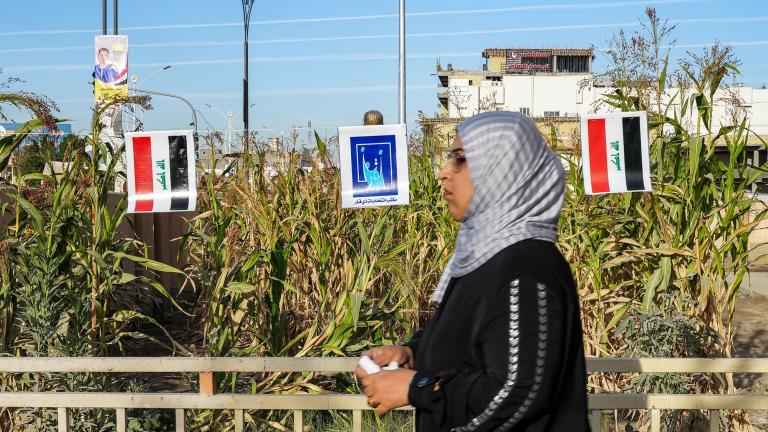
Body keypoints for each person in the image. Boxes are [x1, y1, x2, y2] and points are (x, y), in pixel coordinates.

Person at [355, 111, 589, 431]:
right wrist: (413, 354)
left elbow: (519, 391)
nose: (443, 172)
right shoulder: (486, 257)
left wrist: (418, 387)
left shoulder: (526, 266)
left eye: (460, 159)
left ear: (503, 172)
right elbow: (468, 344)